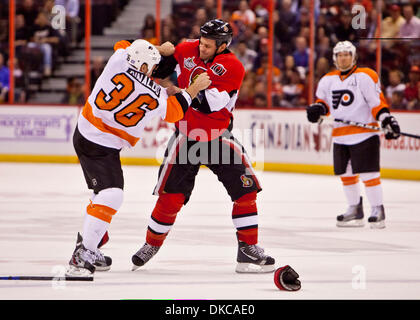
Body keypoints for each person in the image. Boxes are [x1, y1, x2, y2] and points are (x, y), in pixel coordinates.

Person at [131, 19, 276, 274]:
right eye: (202, 42)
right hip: (187, 136)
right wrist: (160, 52)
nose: (202, 48)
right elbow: (156, 70)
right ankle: (151, 244)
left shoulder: (233, 67)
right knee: (171, 198)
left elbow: (207, 104)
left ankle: (247, 250)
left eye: (208, 46)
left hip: (219, 137)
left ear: (223, 46)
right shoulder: (188, 48)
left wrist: (176, 89)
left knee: (246, 192)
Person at [66, 39, 211, 276]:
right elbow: (175, 111)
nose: (154, 71)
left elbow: (123, 44)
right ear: (145, 67)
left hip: (85, 132)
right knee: (112, 194)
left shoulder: (118, 60)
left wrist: (158, 50)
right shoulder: (154, 94)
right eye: (152, 66)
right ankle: (83, 253)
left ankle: (90, 245)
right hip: (101, 146)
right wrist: (193, 89)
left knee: (101, 194)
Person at [306, 41, 401, 229]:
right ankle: (355, 209)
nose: (344, 57)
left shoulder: (366, 76)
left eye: (347, 54)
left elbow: (376, 103)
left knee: (369, 174)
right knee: (346, 175)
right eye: (340, 54)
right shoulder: (327, 80)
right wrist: (317, 109)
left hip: (364, 133)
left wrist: (387, 119)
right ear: (335, 58)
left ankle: (377, 209)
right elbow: (324, 104)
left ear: (354, 56)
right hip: (340, 136)